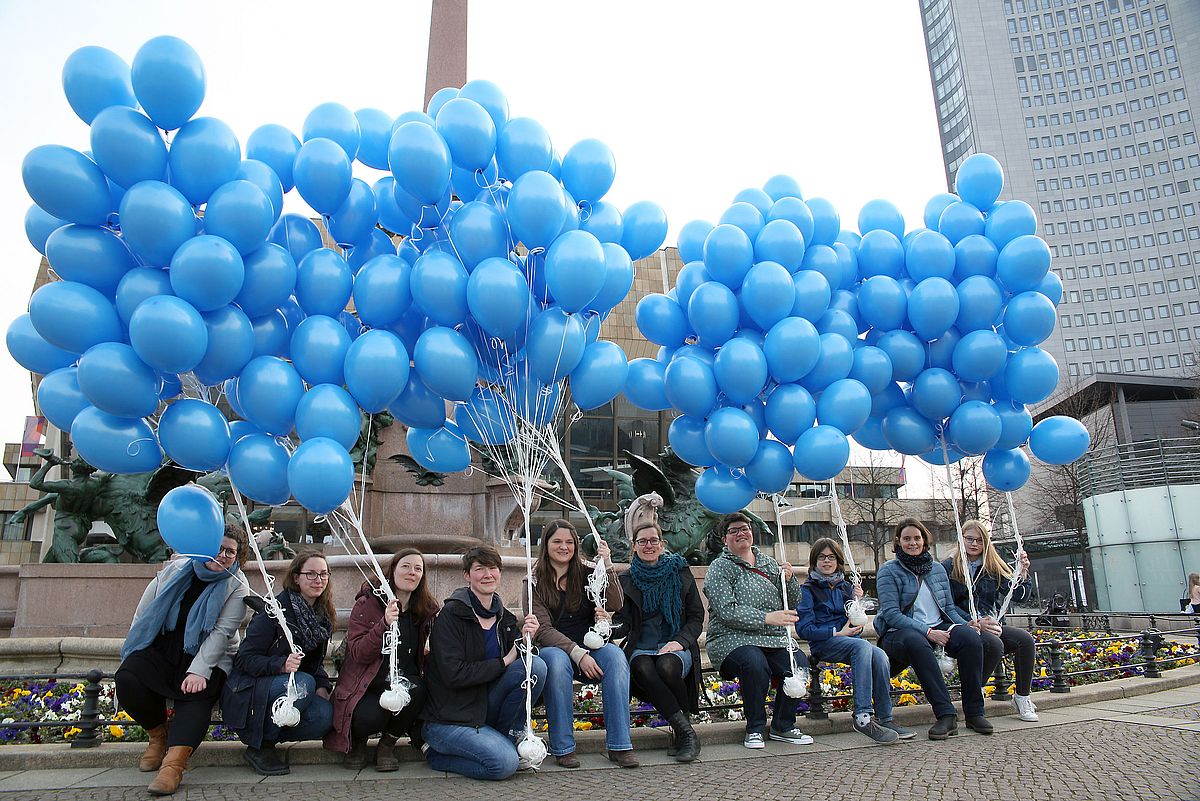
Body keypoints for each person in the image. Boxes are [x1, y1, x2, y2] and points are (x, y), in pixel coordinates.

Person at [115, 524, 249, 795]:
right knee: (127, 677)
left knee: (197, 699)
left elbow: (222, 632)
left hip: (209, 656)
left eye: (230, 552)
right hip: (165, 648)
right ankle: (157, 736)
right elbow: (145, 614)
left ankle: (173, 766)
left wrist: (199, 671)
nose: (222, 556)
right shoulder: (176, 570)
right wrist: (135, 648)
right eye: (218, 548)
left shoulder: (237, 584)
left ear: (238, 556)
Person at [420, 545, 548, 781]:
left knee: (536, 665)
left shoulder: (505, 619)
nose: (488, 574)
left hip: (482, 709)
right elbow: (454, 674)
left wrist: (528, 639)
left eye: (493, 568)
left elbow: (521, 673)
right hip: (450, 717)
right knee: (504, 765)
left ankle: (507, 738)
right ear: (467, 575)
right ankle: (435, 754)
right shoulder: (451, 615)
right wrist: (504, 661)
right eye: (480, 569)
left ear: (500, 572)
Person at [531, 519, 637, 768]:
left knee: (614, 657)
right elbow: (542, 629)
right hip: (556, 649)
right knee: (556, 663)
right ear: (546, 545)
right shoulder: (534, 579)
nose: (564, 547)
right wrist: (577, 653)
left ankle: (620, 745)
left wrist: (607, 564)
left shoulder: (588, 571)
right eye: (557, 541)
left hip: (591, 645)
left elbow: (616, 603)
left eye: (569, 542)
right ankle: (563, 747)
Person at [703, 512, 812, 749]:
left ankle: (783, 724)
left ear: (752, 533)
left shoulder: (769, 564)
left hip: (772, 639)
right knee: (754, 663)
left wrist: (790, 579)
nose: (741, 533)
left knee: (799, 663)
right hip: (731, 639)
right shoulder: (719, 568)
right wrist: (766, 618)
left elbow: (790, 601)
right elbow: (726, 611)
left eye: (745, 529)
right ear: (725, 539)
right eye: (733, 531)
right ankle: (754, 728)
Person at [222, 549, 335, 776]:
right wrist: (281, 665)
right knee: (303, 684)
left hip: (289, 685)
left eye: (323, 574)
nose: (318, 579)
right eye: (311, 574)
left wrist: (323, 685)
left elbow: (314, 661)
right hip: (251, 687)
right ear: (296, 577)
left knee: (324, 715)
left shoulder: (321, 614)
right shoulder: (274, 610)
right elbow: (244, 659)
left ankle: (265, 736)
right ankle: (260, 745)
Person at [326, 548, 440, 770]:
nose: (412, 573)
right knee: (372, 716)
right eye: (405, 566)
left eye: (418, 569)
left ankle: (387, 743)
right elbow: (359, 652)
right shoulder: (368, 604)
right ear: (393, 571)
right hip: (366, 686)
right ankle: (358, 742)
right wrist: (384, 624)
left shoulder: (424, 610)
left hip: (401, 683)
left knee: (419, 690)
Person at [875, 518, 988, 740]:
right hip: (899, 632)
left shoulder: (936, 569)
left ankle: (975, 713)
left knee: (970, 638)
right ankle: (946, 715)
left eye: (917, 538)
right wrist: (927, 632)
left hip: (939, 625)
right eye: (907, 539)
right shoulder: (889, 570)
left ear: (924, 540)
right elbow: (891, 615)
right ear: (898, 542)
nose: (913, 543)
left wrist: (966, 624)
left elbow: (947, 608)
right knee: (917, 642)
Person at [796, 537, 912, 745]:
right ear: (814, 562)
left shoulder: (844, 587)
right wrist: (836, 632)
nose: (826, 561)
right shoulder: (808, 590)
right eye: (821, 557)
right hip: (825, 643)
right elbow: (803, 629)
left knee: (880, 655)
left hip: (851, 642)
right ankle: (862, 717)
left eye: (831, 557)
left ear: (838, 561)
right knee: (863, 646)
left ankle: (885, 718)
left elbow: (854, 620)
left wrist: (857, 601)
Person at [614, 521, 705, 762]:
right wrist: (605, 621)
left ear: (662, 544)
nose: (648, 545)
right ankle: (686, 733)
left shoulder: (679, 572)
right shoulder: (625, 580)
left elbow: (696, 617)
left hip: (675, 644)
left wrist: (680, 641)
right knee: (643, 666)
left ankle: (682, 733)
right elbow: (623, 623)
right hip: (641, 646)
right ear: (633, 547)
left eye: (653, 540)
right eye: (642, 541)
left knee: (666, 665)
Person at [943, 519, 1039, 723]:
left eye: (979, 540)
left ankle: (1022, 697)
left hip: (992, 624)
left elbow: (1019, 595)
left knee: (1025, 640)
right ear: (961, 539)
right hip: (965, 626)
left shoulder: (993, 566)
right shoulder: (949, 567)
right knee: (994, 644)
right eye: (969, 539)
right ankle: (974, 692)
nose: (974, 544)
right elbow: (946, 604)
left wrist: (1023, 573)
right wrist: (973, 621)